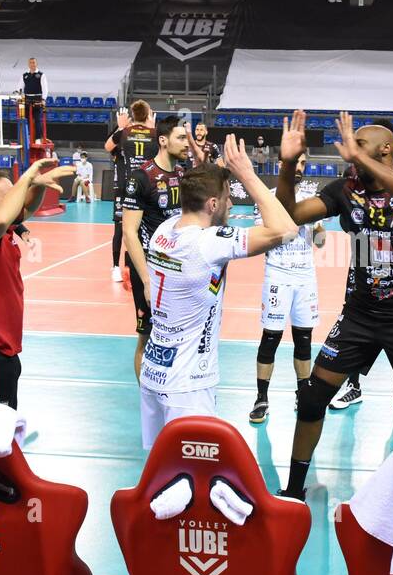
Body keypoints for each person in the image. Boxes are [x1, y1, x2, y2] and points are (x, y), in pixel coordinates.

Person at [276, 111, 393, 501]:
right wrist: (288, 165)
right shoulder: (345, 188)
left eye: (359, 143)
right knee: (311, 398)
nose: (349, 148)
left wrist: (361, 159)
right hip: (358, 316)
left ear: (386, 149)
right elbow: (290, 215)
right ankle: (293, 489)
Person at [139, 139, 296, 448]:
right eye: (226, 199)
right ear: (212, 204)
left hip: (153, 373)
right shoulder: (208, 243)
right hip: (188, 386)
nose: (231, 205)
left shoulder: (164, 230)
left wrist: (208, 167)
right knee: (194, 476)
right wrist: (248, 175)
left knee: (161, 466)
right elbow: (285, 230)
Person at [0, 159, 74, 408]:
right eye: (10, 194)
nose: (18, 195)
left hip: (5, 350)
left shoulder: (6, 231)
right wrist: (27, 177)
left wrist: (39, 184)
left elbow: (26, 209)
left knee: (5, 428)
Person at [250, 151, 326, 424]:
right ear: (282, 165)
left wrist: (317, 226)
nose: (299, 168)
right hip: (278, 275)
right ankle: (261, 397)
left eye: (304, 163)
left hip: (305, 276)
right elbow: (262, 238)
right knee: (270, 337)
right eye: (295, 162)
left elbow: (319, 243)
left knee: (303, 338)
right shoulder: (267, 199)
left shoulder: (312, 200)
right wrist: (290, 226)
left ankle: (302, 393)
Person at [122, 117, 192, 377]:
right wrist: (147, 281)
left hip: (179, 267)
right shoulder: (141, 177)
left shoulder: (185, 174)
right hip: (151, 270)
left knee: (180, 334)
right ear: (163, 140)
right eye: (181, 138)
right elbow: (129, 233)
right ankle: (148, 403)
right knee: (147, 335)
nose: (187, 143)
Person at [105, 99, 155, 284]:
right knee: (131, 227)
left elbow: (107, 146)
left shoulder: (126, 133)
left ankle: (126, 267)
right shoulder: (143, 134)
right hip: (134, 186)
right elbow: (109, 147)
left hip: (131, 186)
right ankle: (122, 267)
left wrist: (120, 127)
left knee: (129, 227)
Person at [21, 57, 47, 143]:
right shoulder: (25, 75)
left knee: (37, 119)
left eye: (34, 63)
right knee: (26, 119)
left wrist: (43, 99)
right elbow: (20, 88)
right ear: (28, 64)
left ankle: (37, 138)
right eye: (31, 63)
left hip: (37, 99)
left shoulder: (41, 75)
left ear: (36, 64)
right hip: (27, 99)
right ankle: (28, 137)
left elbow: (45, 88)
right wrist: (19, 96)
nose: (32, 64)